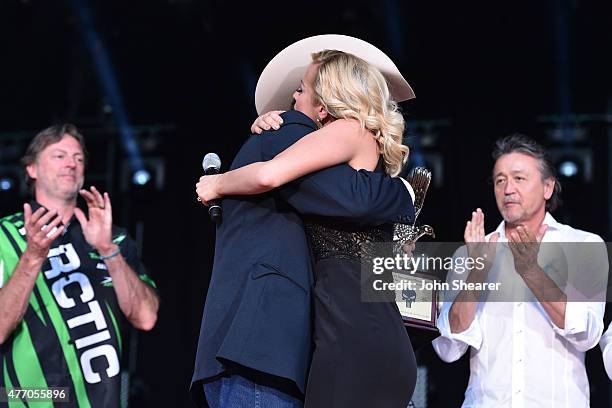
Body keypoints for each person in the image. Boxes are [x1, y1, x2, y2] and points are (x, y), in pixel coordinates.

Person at [195, 35, 417, 407]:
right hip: (354, 333)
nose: (291, 102)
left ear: (328, 102)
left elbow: (268, 175)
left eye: (300, 90)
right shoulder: (364, 170)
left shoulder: (350, 129)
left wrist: (216, 182)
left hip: (355, 337)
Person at [433, 134, 608, 406]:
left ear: (548, 187)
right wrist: (477, 272)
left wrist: (531, 272)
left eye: (519, 178)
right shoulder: (470, 252)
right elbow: (449, 347)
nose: (508, 189)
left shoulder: (584, 245)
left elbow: (587, 334)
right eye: (500, 180)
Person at [0, 124, 159, 407]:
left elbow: (146, 317)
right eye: (59, 155)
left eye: (79, 158)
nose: (71, 164)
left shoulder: (114, 238)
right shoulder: (5, 235)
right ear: (31, 169)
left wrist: (108, 250)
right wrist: (33, 256)